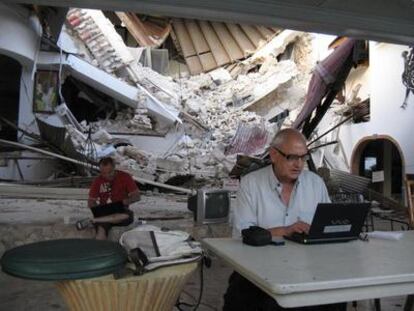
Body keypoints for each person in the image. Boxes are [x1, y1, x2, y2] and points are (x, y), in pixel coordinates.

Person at [223, 128, 346, 311]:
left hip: (309, 270)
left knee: (336, 298)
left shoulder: (315, 184)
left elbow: (327, 226)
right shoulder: (251, 184)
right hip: (260, 271)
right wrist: (288, 230)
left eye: (303, 158)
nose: (298, 164)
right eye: (291, 157)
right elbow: (243, 235)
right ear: (273, 155)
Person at [84, 157, 141, 240]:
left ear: (114, 167)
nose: (107, 175)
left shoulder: (125, 177)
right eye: (103, 173)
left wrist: (124, 202)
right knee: (101, 230)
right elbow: (91, 201)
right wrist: (98, 209)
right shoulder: (97, 181)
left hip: (121, 209)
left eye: (110, 172)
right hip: (104, 211)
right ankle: (101, 220)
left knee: (126, 215)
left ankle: (97, 220)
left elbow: (137, 196)